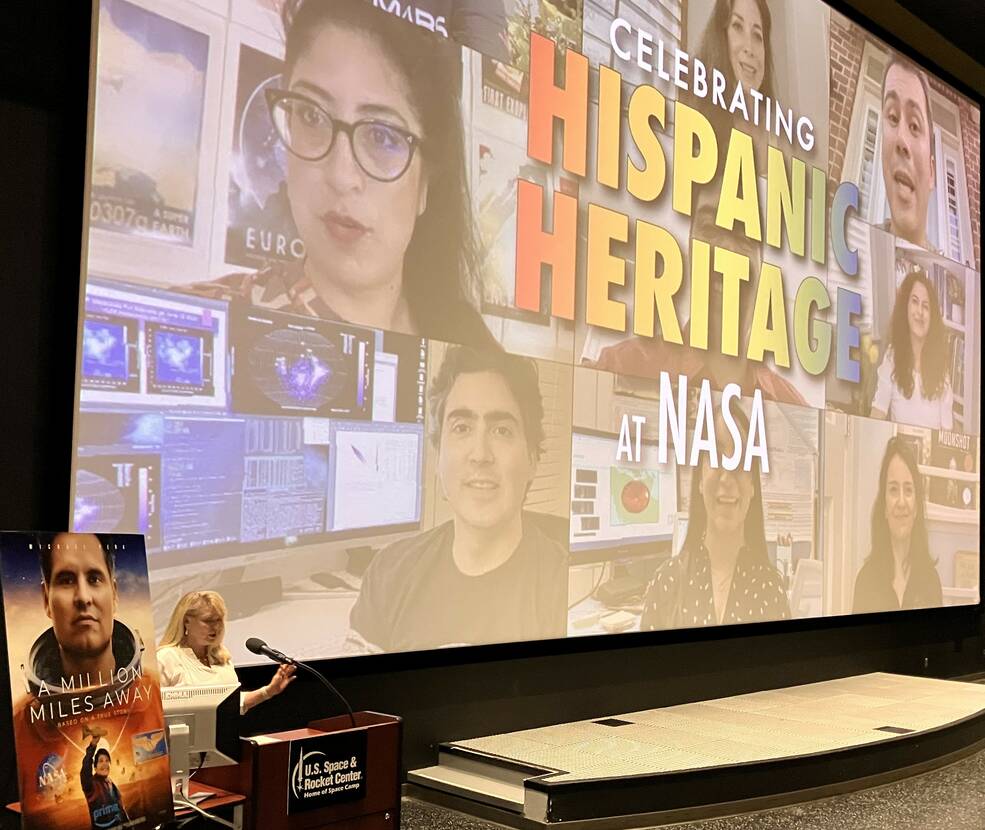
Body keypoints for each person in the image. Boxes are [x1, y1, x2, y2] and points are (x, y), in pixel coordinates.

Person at [191, 0, 496, 349]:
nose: (340, 175)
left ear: (427, 180)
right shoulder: (205, 325)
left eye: (382, 136)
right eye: (311, 116)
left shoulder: (474, 358)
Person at [349, 345, 568, 652]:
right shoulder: (389, 572)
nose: (480, 454)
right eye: (462, 428)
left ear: (533, 459)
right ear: (439, 455)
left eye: (502, 430)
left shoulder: (564, 588)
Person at [589, 183, 807, 406]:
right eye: (711, 230)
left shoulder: (794, 408)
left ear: (762, 264)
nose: (727, 252)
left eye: (746, 237)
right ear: (691, 247)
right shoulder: (620, 367)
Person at [641, 407, 790, 629]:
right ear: (699, 479)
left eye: (740, 460)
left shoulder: (771, 589)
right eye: (716, 456)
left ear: (752, 487)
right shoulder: (666, 582)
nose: (727, 477)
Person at [157, 591, 295, 713]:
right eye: (208, 620)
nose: (216, 627)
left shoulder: (221, 656)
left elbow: (232, 704)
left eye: (219, 620)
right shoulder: (166, 658)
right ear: (186, 621)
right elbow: (153, 712)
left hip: (224, 738)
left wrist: (269, 691)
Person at [852, 437, 943, 612]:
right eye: (893, 489)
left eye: (908, 490)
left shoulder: (931, 580)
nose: (901, 502)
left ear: (916, 507)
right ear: (884, 507)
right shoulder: (865, 580)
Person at [871, 269, 952, 429]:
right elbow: (877, 415)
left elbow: (947, 432)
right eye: (914, 302)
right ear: (905, 308)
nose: (920, 312)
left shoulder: (941, 367)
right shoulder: (891, 357)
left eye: (926, 306)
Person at [879, 55, 937, 251]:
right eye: (893, 117)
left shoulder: (955, 281)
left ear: (931, 171)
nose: (901, 140)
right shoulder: (849, 251)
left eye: (914, 125)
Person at [81, 730, 129, 829]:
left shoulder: (111, 783)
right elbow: (86, 767)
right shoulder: (90, 784)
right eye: (101, 761)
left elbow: (121, 810)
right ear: (94, 767)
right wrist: (93, 745)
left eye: (107, 760)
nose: (105, 764)